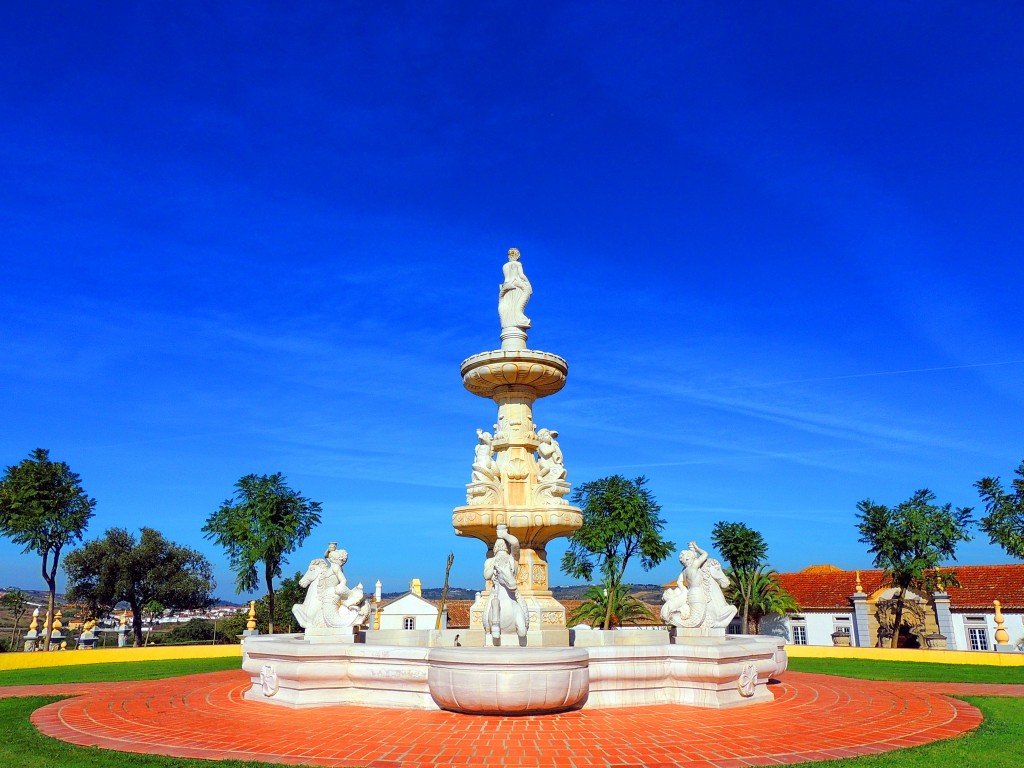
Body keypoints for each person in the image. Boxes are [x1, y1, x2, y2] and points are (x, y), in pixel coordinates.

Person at [483, 524, 529, 640]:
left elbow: (515, 543)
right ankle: (494, 625)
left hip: (512, 593)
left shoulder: (511, 559)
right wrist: (494, 567)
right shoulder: (491, 561)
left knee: (520, 607)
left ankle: (521, 624)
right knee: (494, 603)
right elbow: (486, 575)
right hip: (496, 592)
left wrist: (504, 534)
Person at [498, 247, 532, 331]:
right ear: (517, 255)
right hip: (516, 286)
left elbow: (507, 278)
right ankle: (519, 319)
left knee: (509, 308)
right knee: (517, 306)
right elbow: (521, 275)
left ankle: (511, 321)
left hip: (506, 287)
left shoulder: (505, 266)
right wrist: (528, 284)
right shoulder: (517, 264)